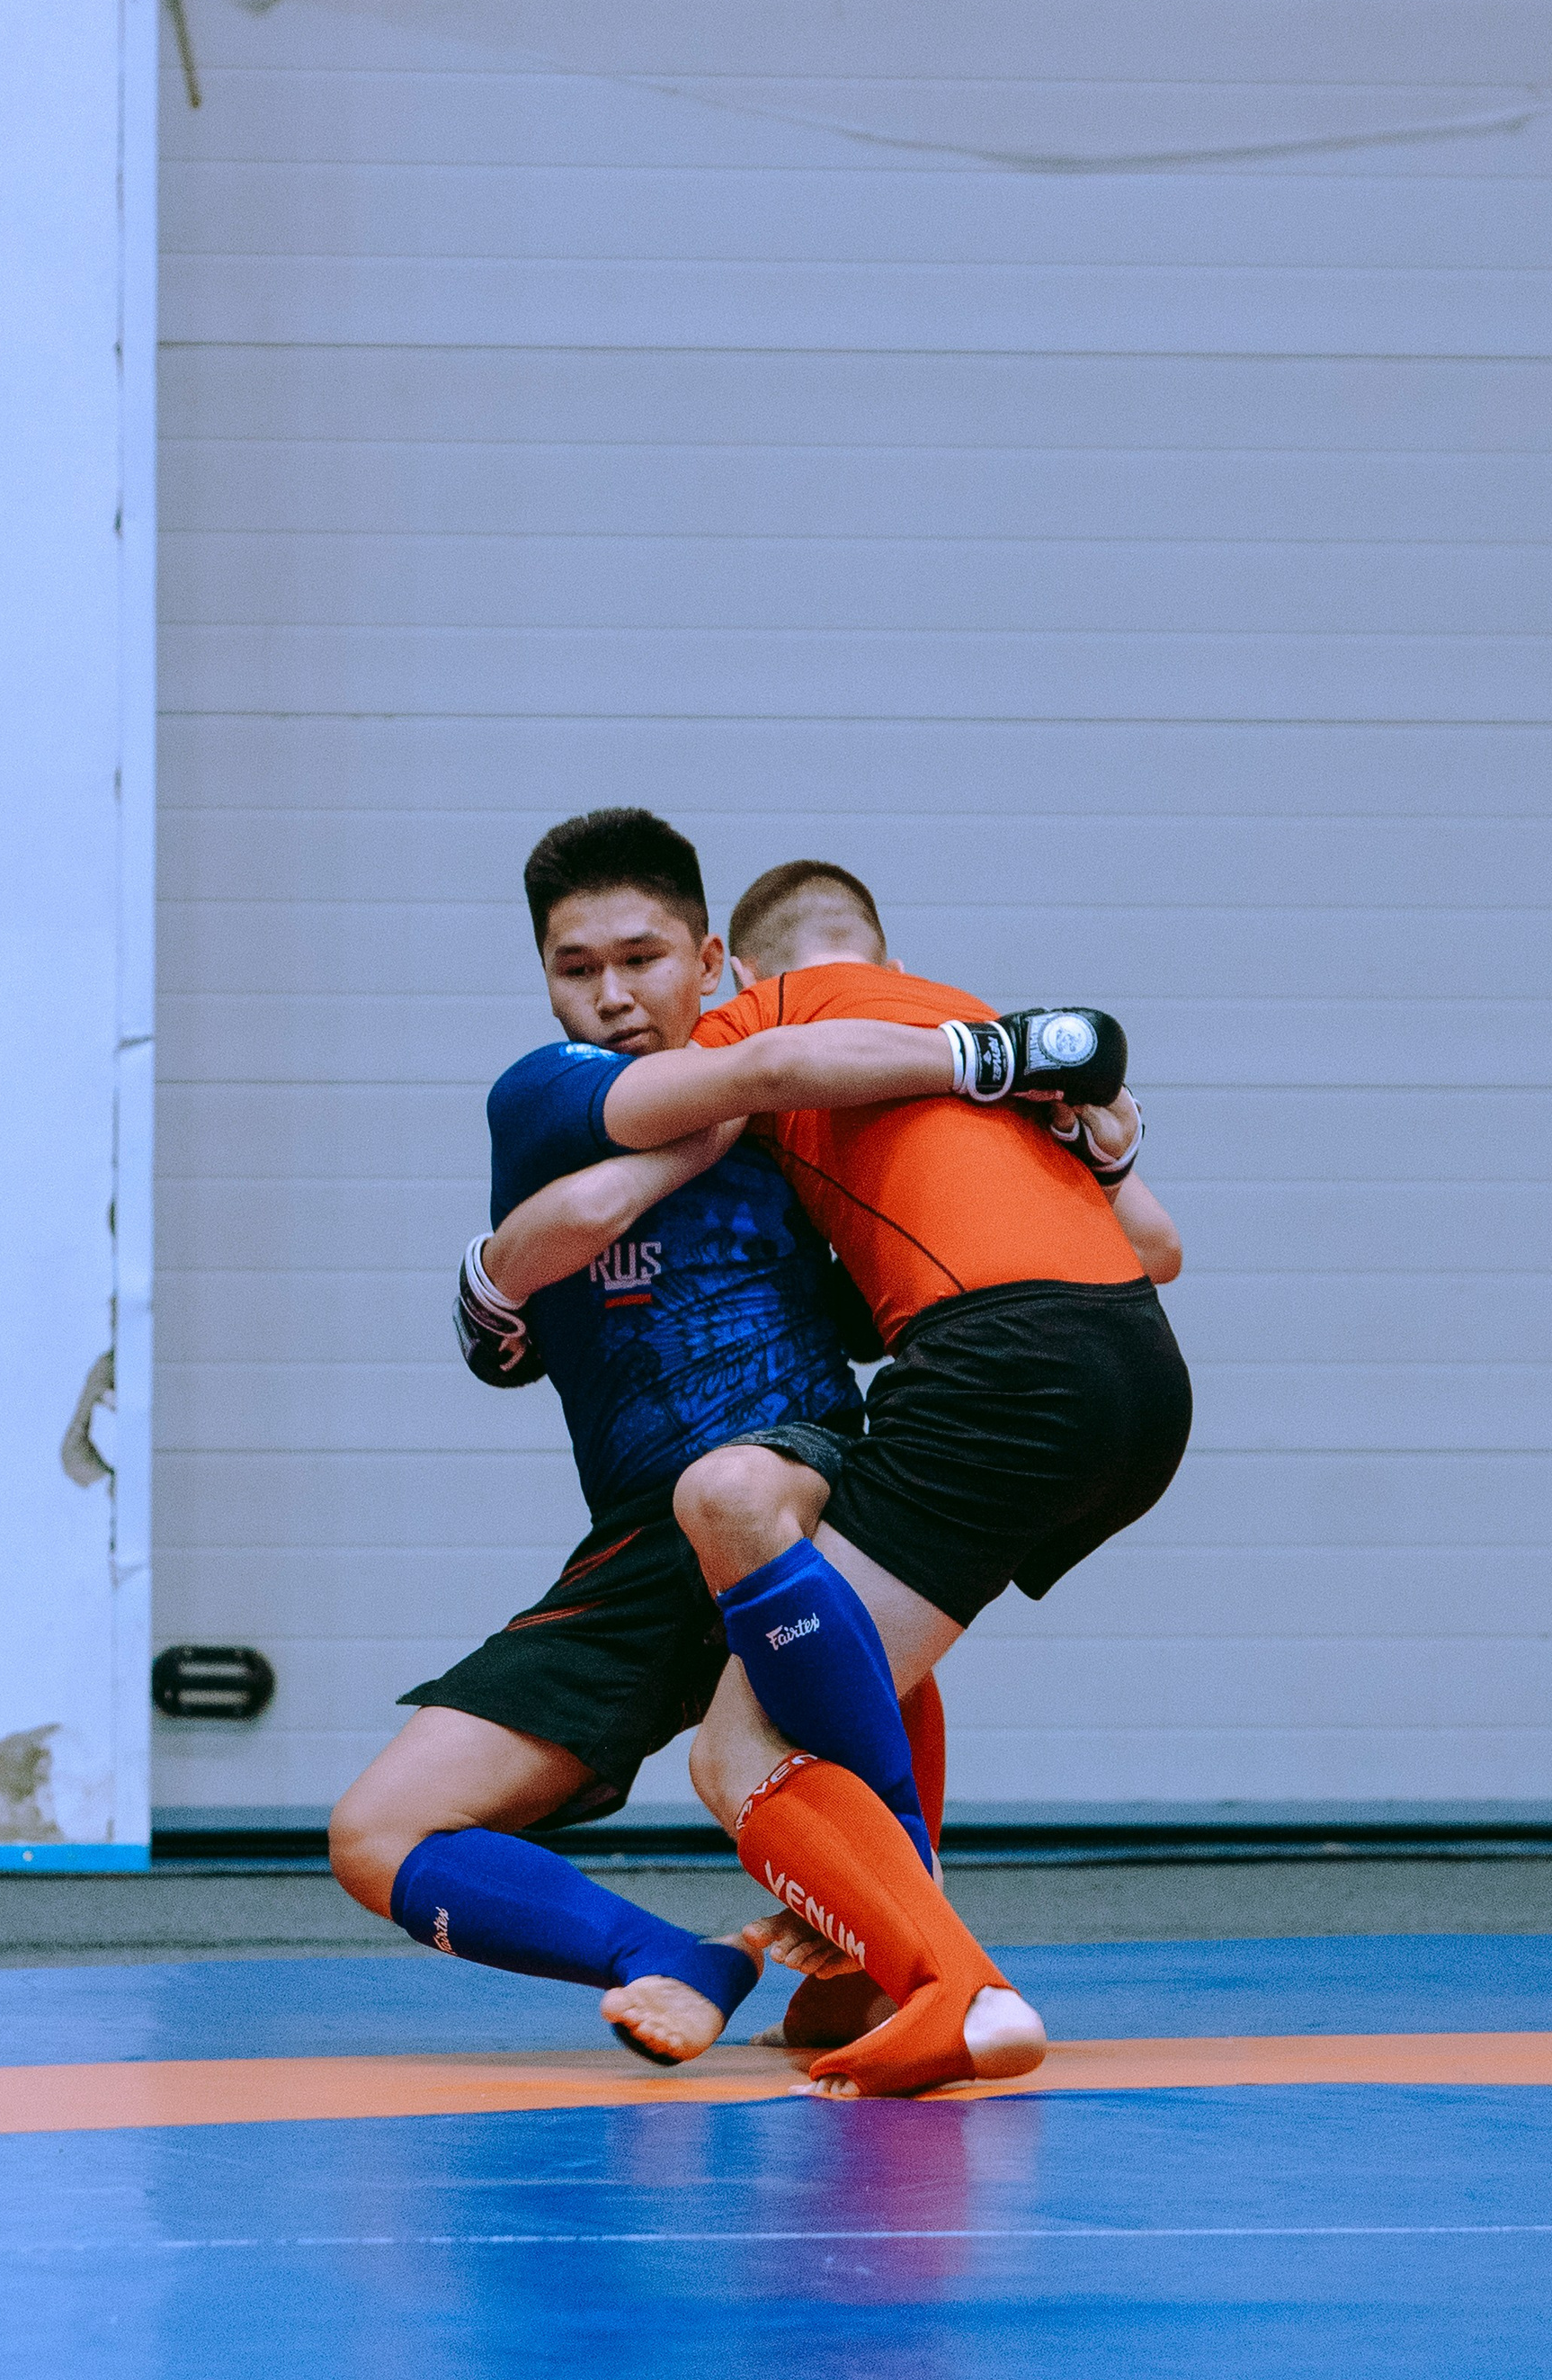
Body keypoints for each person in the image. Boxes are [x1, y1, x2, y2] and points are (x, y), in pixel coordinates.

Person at [464, 855, 1189, 2100]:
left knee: (738, 1745)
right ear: (894, 962)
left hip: (998, 1368)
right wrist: (1075, 1124)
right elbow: (1161, 1248)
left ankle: (950, 1980)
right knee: (850, 1654)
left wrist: (489, 1290)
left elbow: (756, 1076)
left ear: (733, 973)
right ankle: (877, 1956)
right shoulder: (964, 1022)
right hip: (1138, 1382)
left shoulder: (776, 1022)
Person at [326, 811, 1028, 2062]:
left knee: (742, 1491)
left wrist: (1089, 1132)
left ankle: (900, 1918)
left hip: (794, 1474)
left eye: (642, 959)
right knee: (373, 1831)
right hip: (638, 1547)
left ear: (711, 963)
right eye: (575, 967)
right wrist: (741, 1119)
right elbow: (598, 1201)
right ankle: (670, 1955)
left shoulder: (816, 1127)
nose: (609, 995)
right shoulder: (551, 1093)